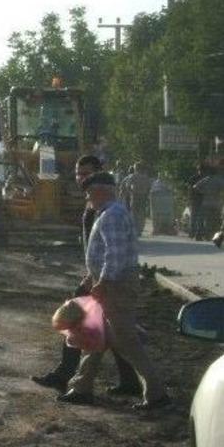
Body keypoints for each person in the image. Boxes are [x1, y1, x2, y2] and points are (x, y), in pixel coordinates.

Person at [59, 172, 170, 411]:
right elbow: (108, 254)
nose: (87, 199)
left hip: (116, 287)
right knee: (93, 335)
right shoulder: (111, 213)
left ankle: (157, 394)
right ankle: (81, 388)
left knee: (127, 341)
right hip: (111, 283)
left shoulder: (112, 215)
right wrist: (92, 277)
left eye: (89, 193)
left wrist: (103, 281)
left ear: (100, 191)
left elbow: (115, 253)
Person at [31, 156, 142, 395]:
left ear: (98, 175)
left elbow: (112, 250)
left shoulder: (106, 209)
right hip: (98, 277)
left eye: (86, 174)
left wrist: (100, 279)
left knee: (83, 324)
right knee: (110, 331)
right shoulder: (93, 205)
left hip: (108, 279)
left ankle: (69, 377)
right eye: (78, 174)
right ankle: (128, 381)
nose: (81, 179)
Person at [192, 167, 224, 240]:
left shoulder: (206, 179)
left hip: (206, 202)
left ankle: (202, 234)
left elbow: (195, 187)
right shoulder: (219, 180)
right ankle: (213, 235)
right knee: (215, 219)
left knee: (205, 219)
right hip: (216, 203)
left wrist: (202, 192)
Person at [187, 164, 207, 240]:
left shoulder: (205, 179)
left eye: (202, 170)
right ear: (198, 170)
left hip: (201, 199)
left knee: (200, 217)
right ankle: (192, 233)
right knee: (194, 217)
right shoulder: (193, 178)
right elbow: (190, 189)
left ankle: (198, 234)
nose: (201, 172)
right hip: (195, 199)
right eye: (200, 170)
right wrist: (189, 198)